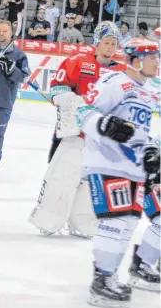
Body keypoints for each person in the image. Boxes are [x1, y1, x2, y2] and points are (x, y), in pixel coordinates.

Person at [78, 37, 160, 307]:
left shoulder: (146, 93)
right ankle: (101, 280)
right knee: (114, 223)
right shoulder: (115, 82)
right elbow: (83, 112)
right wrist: (106, 124)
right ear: (136, 60)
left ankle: (109, 276)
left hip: (132, 168)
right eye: (152, 58)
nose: (157, 63)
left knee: (127, 225)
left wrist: (149, 152)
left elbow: (139, 133)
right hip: (106, 163)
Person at [28, 21, 126, 238]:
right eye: (107, 42)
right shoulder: (78, 61)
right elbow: (58, 86)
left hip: (102, 140)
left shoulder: (122, 71)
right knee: (62, 177)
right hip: (76, 134)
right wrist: (69, 101)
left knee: (92, 182)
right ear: (97, 43)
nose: (110, 47)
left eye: (114, 43)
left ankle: (82, 222)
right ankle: (49, 219)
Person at [0, 20, 30, 181]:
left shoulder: (19, 55)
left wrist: (12, 69)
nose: (1, 33)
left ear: (11, 33)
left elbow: (24, 77)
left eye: (5, 31)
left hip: (3, 104)